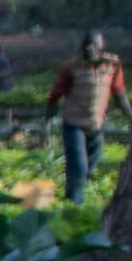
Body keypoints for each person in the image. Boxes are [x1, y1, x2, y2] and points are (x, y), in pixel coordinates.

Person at [48, 31, 122, 210]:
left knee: (92, 162)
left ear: (101, 46)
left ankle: (72, 190)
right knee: (79, 167)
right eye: (86, 44)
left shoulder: (110, 66)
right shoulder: (72, 68)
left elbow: (120, 94)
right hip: (73, 124)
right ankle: (74, 206)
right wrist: (48, 118)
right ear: (81, 47)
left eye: (94, 45)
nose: (89, 48)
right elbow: (55, 95)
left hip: (95, 125)